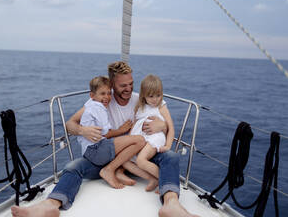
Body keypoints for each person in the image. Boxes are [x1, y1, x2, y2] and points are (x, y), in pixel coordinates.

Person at [11, 61, 198, 217]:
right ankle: (51, 205)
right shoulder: (103, 101)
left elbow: (165, 119)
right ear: (112, 85)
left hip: (140, 156)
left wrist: (163, 126)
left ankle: (171, 204)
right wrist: (83, 130)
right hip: (109, 156)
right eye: (123, 85)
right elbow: (70, 124)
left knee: (171, 157)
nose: (128, 89)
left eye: (131, 83)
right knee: (73, 167)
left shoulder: (139, 99)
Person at [78, 76, 145, 189]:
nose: (107, 97)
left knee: (127, 143)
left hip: (89, 151)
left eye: (109, 93)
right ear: (92, 96)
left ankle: (118, 171)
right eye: (102, 94)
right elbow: (106, 134)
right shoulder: (98, 108)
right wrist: (121, 130)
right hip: (95, 150)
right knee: (140, 140)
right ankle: (109, 170)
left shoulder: (89, 105)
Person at [129, 74, 175, 183]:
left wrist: (168, 145)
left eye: (158, 95)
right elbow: (135, 124)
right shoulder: (140, 107)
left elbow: (171, 127)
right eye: (150, 96)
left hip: (154, 138)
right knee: (124, 160)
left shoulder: (161, 106)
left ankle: (163, 180)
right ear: (143, 95)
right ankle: (151, 179)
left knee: (141, 161)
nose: (155, 99)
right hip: (141, 138)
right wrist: (129, 139)